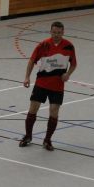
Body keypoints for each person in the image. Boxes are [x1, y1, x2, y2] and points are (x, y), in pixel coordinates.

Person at [19, 21, 77, 151]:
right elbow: (32, 60)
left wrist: (68, 74)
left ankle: (47, 140)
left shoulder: (69, 46)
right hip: (41, 83)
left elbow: (73, 64)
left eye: (59, 32)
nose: (56, 35)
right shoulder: (43, 45)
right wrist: (27, 77)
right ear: (50, 32)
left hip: (57, 86)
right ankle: (28, 136)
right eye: (54, 32)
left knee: (54, 112)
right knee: (33, 109)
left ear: (63, 32)